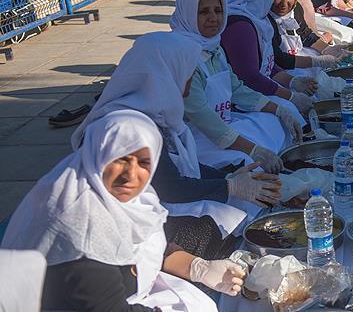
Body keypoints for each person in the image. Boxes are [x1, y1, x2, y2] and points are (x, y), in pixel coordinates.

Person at [1, 109, 245, 311]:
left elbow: (156, 242)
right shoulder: (79, 232)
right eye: (120, 159)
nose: (131, 175)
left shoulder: (113, 195)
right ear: (97, 154)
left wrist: (197, 267)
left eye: (144, 162)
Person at [69, 32, 261, 252]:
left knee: (234, 209)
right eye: (187, 72)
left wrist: (226, 176)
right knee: (215, 226)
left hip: (150, 206)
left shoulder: (153, 111)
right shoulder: (128, 129)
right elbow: (169, 186)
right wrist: (229, 186)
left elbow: (175, 167)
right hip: (122, 231)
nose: (190, 79)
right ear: (167, 74)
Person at [171, 0, 301, 172]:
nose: (213, 18)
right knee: (247, 162)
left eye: (218, 10)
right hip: (196, 138)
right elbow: (203, 118)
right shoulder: (182, 57)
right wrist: (254, 150)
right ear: (188, 15)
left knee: (272, 123)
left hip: (223, 122)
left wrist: (280, 110)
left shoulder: (213, 47)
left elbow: (237, 89)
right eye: (203, 12)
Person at [220, 0, 314, 119]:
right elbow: (250, 77)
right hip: (236, 103)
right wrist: (290, 96)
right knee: (285, 115)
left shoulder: (257, 19)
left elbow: (267, 65)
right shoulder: (240, 26)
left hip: (254, 92)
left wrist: (293, 81)